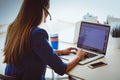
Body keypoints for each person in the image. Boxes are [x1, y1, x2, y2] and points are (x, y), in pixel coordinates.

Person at [3, 0, 86, 80]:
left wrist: (60, 51)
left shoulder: (12, 28)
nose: (47, 15)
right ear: (42, 10)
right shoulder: (37, 33)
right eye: (48, 11)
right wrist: (79, 56)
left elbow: (29, 54)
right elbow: (61, 69)